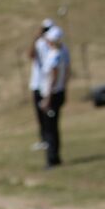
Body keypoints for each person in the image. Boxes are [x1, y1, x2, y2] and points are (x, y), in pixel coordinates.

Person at [38, 26, 70, 169]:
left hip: (52, 95)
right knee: (54, 128)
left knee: (49, 129)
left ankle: (52, 159)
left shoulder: (55, 55)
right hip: (59, 92)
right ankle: (55, 156)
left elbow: (53, 77)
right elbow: (67, 72)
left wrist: (47, 98)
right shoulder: (63, 51)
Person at [28, 18, 54, 151]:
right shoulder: (38, 43)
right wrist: (35, 38)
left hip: (46, 84)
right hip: (36, 83)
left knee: (47, 114)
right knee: (39, 115)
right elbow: (30, 55)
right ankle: (44, 140)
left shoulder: (52, 44)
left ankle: (50, 141)